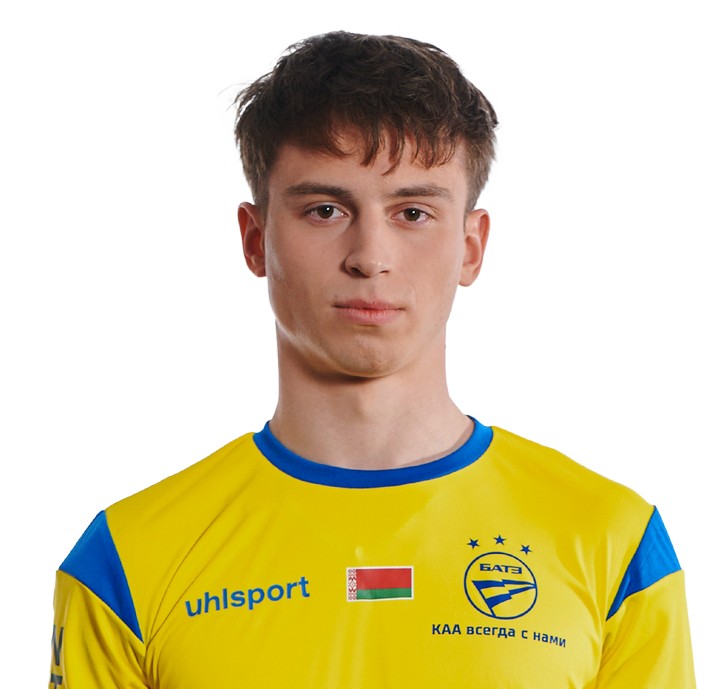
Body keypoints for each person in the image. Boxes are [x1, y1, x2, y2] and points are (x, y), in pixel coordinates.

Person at [49, 31, 695, 688]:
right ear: (256, 239)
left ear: (471, 247)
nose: (370, 256)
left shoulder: (614, 545)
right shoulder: (125, 563)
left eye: (412, 212)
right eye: (325, 210)